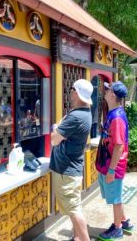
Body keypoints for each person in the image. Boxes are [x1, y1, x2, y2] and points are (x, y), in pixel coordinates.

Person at [49, 79, 93, 241]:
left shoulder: (75, 117)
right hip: (72, 169)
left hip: (66, 172)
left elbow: (54, 140)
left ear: (76, 92)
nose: (70, 92)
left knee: (74, 210)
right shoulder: (85, 113)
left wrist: (55, 128)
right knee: (75, 207)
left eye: (72, 89)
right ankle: (77, 237)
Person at [95, 81, 133, 240]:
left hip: (113, 166)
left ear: (112, 95)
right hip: (108, 163)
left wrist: (111, 170)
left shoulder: (116, 117)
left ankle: (117, 228)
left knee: (115, 199)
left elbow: (118, 146)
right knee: (115, 196)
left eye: (108, 89)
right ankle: (124, 222)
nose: (105, 90)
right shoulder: (114, 113)